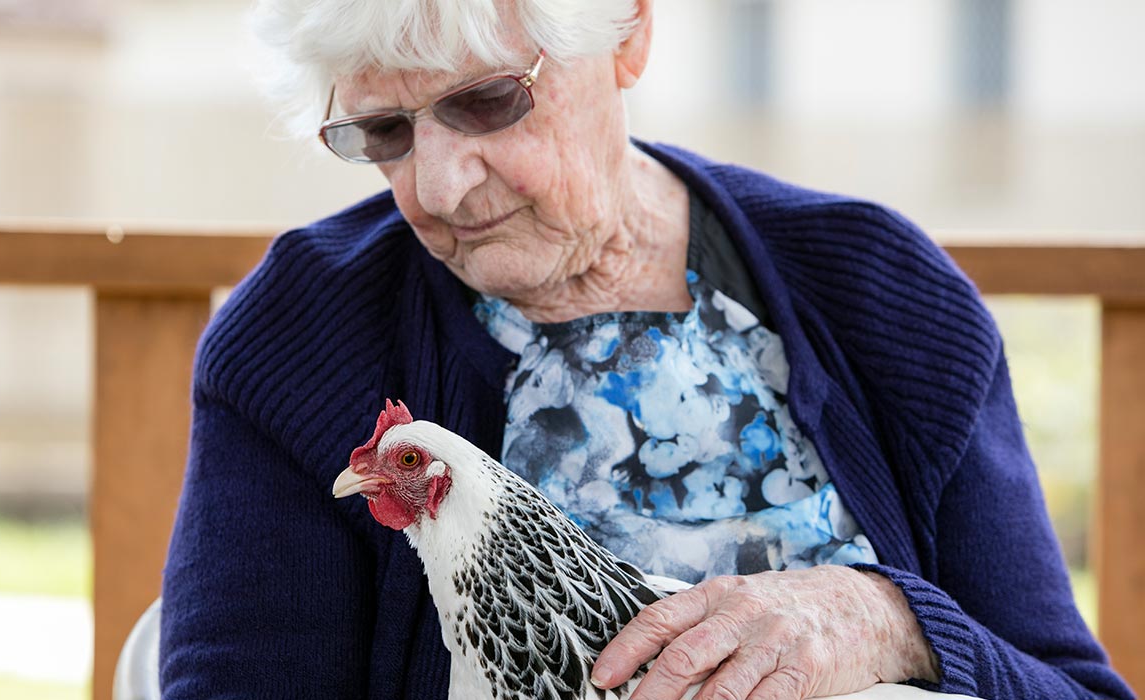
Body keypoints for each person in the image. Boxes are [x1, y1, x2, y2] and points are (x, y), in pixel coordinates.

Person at [158, 1, 1135, 698]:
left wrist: (891, 620)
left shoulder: (878, 290)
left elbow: (1066, 686)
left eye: (487, 102)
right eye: (382, 132)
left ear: (627, 35)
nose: (441, 187)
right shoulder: (298, 333)